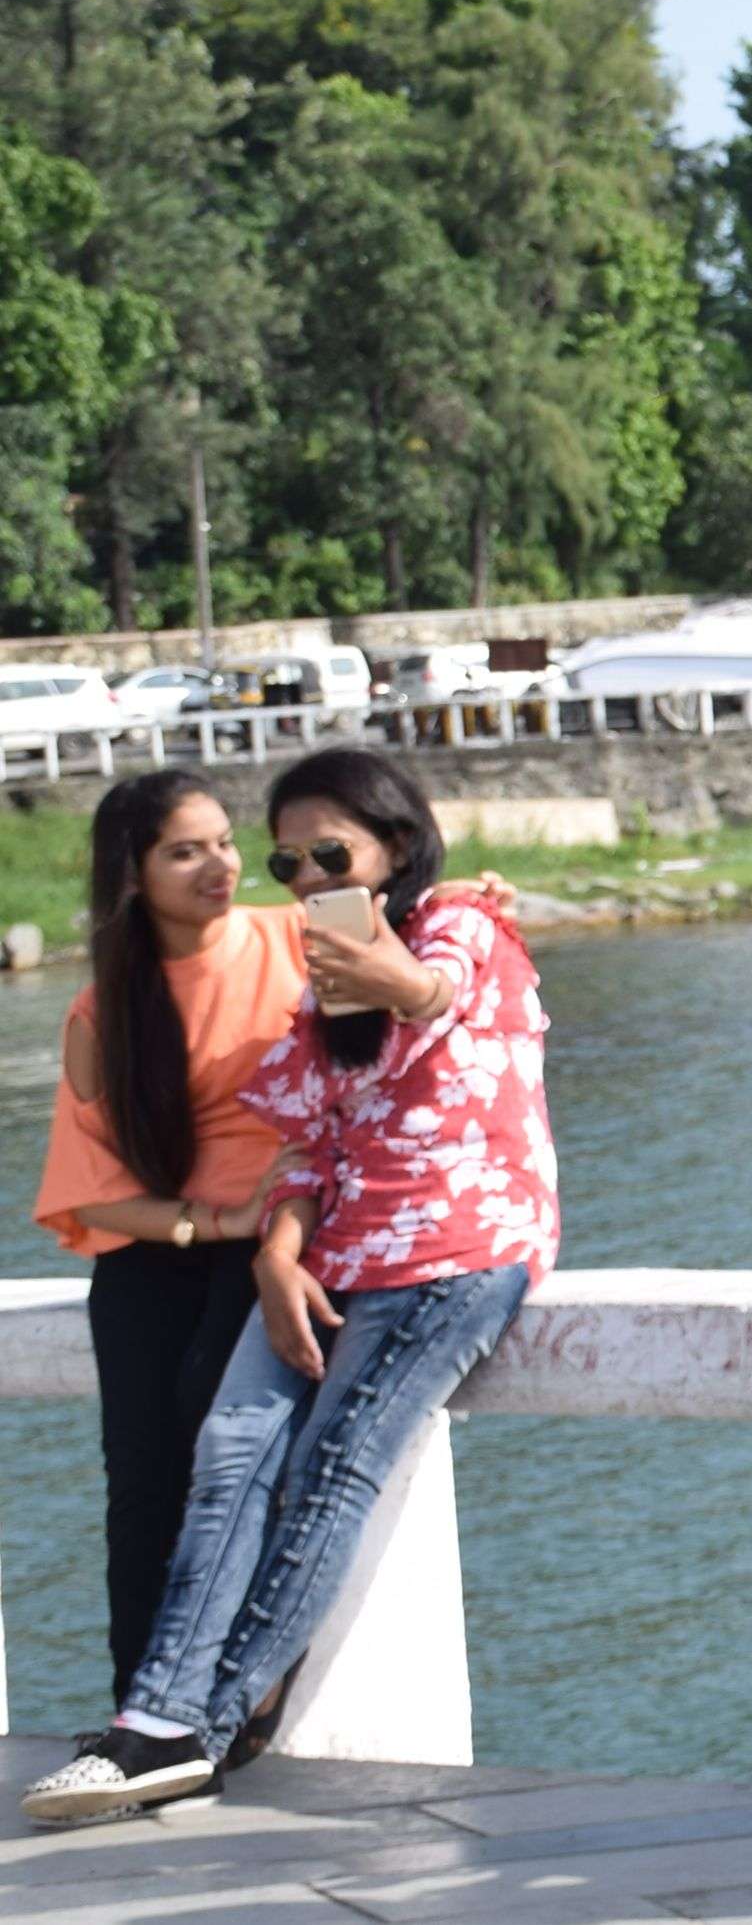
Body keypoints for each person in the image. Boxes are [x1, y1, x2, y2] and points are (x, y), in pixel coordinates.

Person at [23, 749, 557, 1826]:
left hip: (400, 1248)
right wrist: (264, 1245)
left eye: (323, 853)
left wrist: (407, 956)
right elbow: (304, 1137)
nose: (286, 872)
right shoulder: (132, 1007)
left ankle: (198, 1728)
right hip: (263, 1252)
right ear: (134, 875)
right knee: (190, 1465)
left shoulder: (413, 932)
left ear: (393, 847)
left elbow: (437, 988)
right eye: (283, 856)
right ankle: (153, 1717)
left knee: (317, 1472)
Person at [33, 773, 307, 1708]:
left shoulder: (299, 939)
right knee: (142, 1482)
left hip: (283, 1244)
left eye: (226, 841)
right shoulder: (104, 1010)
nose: (221, 866)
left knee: (225, 1446)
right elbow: (93, 1190)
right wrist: (217, 1218)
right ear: (134, 875)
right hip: (160, 1249)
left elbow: (425, 944)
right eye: (186, 851)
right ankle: (138, 1707)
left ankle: (234, 1696)